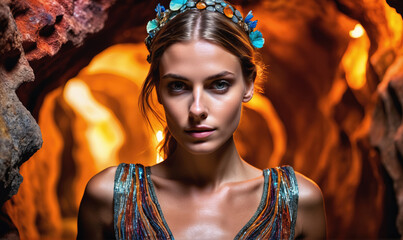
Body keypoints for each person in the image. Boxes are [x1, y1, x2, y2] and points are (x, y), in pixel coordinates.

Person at [77, 0, 327, 239]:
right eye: (178, 86)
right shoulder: (110, 197)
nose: (197, 108)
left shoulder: (297, 203)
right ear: (158, 91)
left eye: (219, 84)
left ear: (248, 85)